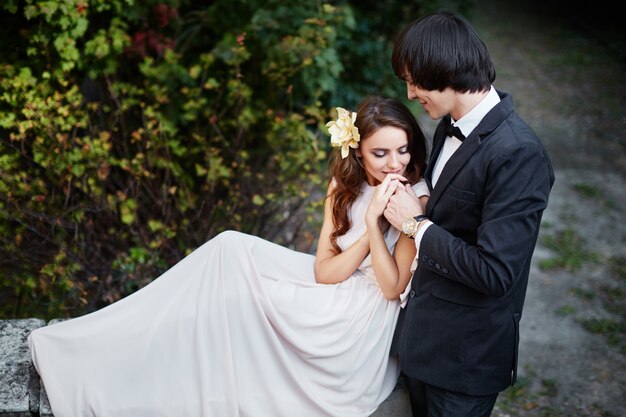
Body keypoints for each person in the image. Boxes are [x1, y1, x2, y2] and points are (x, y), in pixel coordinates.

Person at [28, 95, 429, 417]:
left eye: (403, 150)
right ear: (357, 154)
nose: (395, 164)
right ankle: (112, 346)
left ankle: (180, 365)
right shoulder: (342, 185)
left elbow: (393, 287)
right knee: (229, 246)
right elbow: (324, 271)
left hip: (360, 315)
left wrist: (378, 223)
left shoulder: (414, 195)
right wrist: (369, 220)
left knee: (240, 301)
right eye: (381, 154)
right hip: (334, 283)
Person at [382, 10, 556, 417]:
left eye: (412, 80)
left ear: (442, 70)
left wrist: (415, 224)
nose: (409, 94)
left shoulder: (520, 155)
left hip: (464, 364)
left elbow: (495, 272)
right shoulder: (448, 125)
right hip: (420, 341)